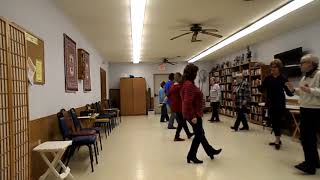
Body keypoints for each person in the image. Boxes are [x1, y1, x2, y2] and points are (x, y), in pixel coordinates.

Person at [181, 64, 222, 164]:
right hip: (193, 114)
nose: (196, 75)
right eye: (195, 72)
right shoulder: (189, 85)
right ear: (192, 73)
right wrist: (193, 116)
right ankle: (191, 155)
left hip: (194, 113)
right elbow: (187, 102)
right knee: (199, 135)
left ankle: (210, 151)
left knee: (200, 134)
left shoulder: (188, 83)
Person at [286, 54, 320, 175]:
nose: (300, 65)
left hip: (314, 110)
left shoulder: (318, 74)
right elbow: (303, 93)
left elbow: (312, 91)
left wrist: (310, 90)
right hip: (305, 109)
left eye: (302, 63)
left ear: (311, 63)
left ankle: (309, 166)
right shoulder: (304, 77)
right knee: (309, 139)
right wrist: (293, 90)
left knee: (307, 139)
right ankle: (315, 162)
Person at [257, 59, 294, 150]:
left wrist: (291, 89)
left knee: (278, 122)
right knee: (273, 122)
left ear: (279, 68)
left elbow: (289, 93)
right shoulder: (267, 78)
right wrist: (258, 85)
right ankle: (277, 139)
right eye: (271, 67)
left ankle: (277, 140)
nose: (272, 69)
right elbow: (262, 90)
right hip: (270, 103)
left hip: (280, 104)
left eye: (275, 67)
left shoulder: (283, 78)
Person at [167, 72, 194, 141]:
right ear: (179, 78)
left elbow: (168, 95)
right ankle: (176, 136)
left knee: (183, 121)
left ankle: (188, 134)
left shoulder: (172, 86)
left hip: (175, 107)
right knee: (182, 122)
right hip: (180, 107)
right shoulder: (179, 87)